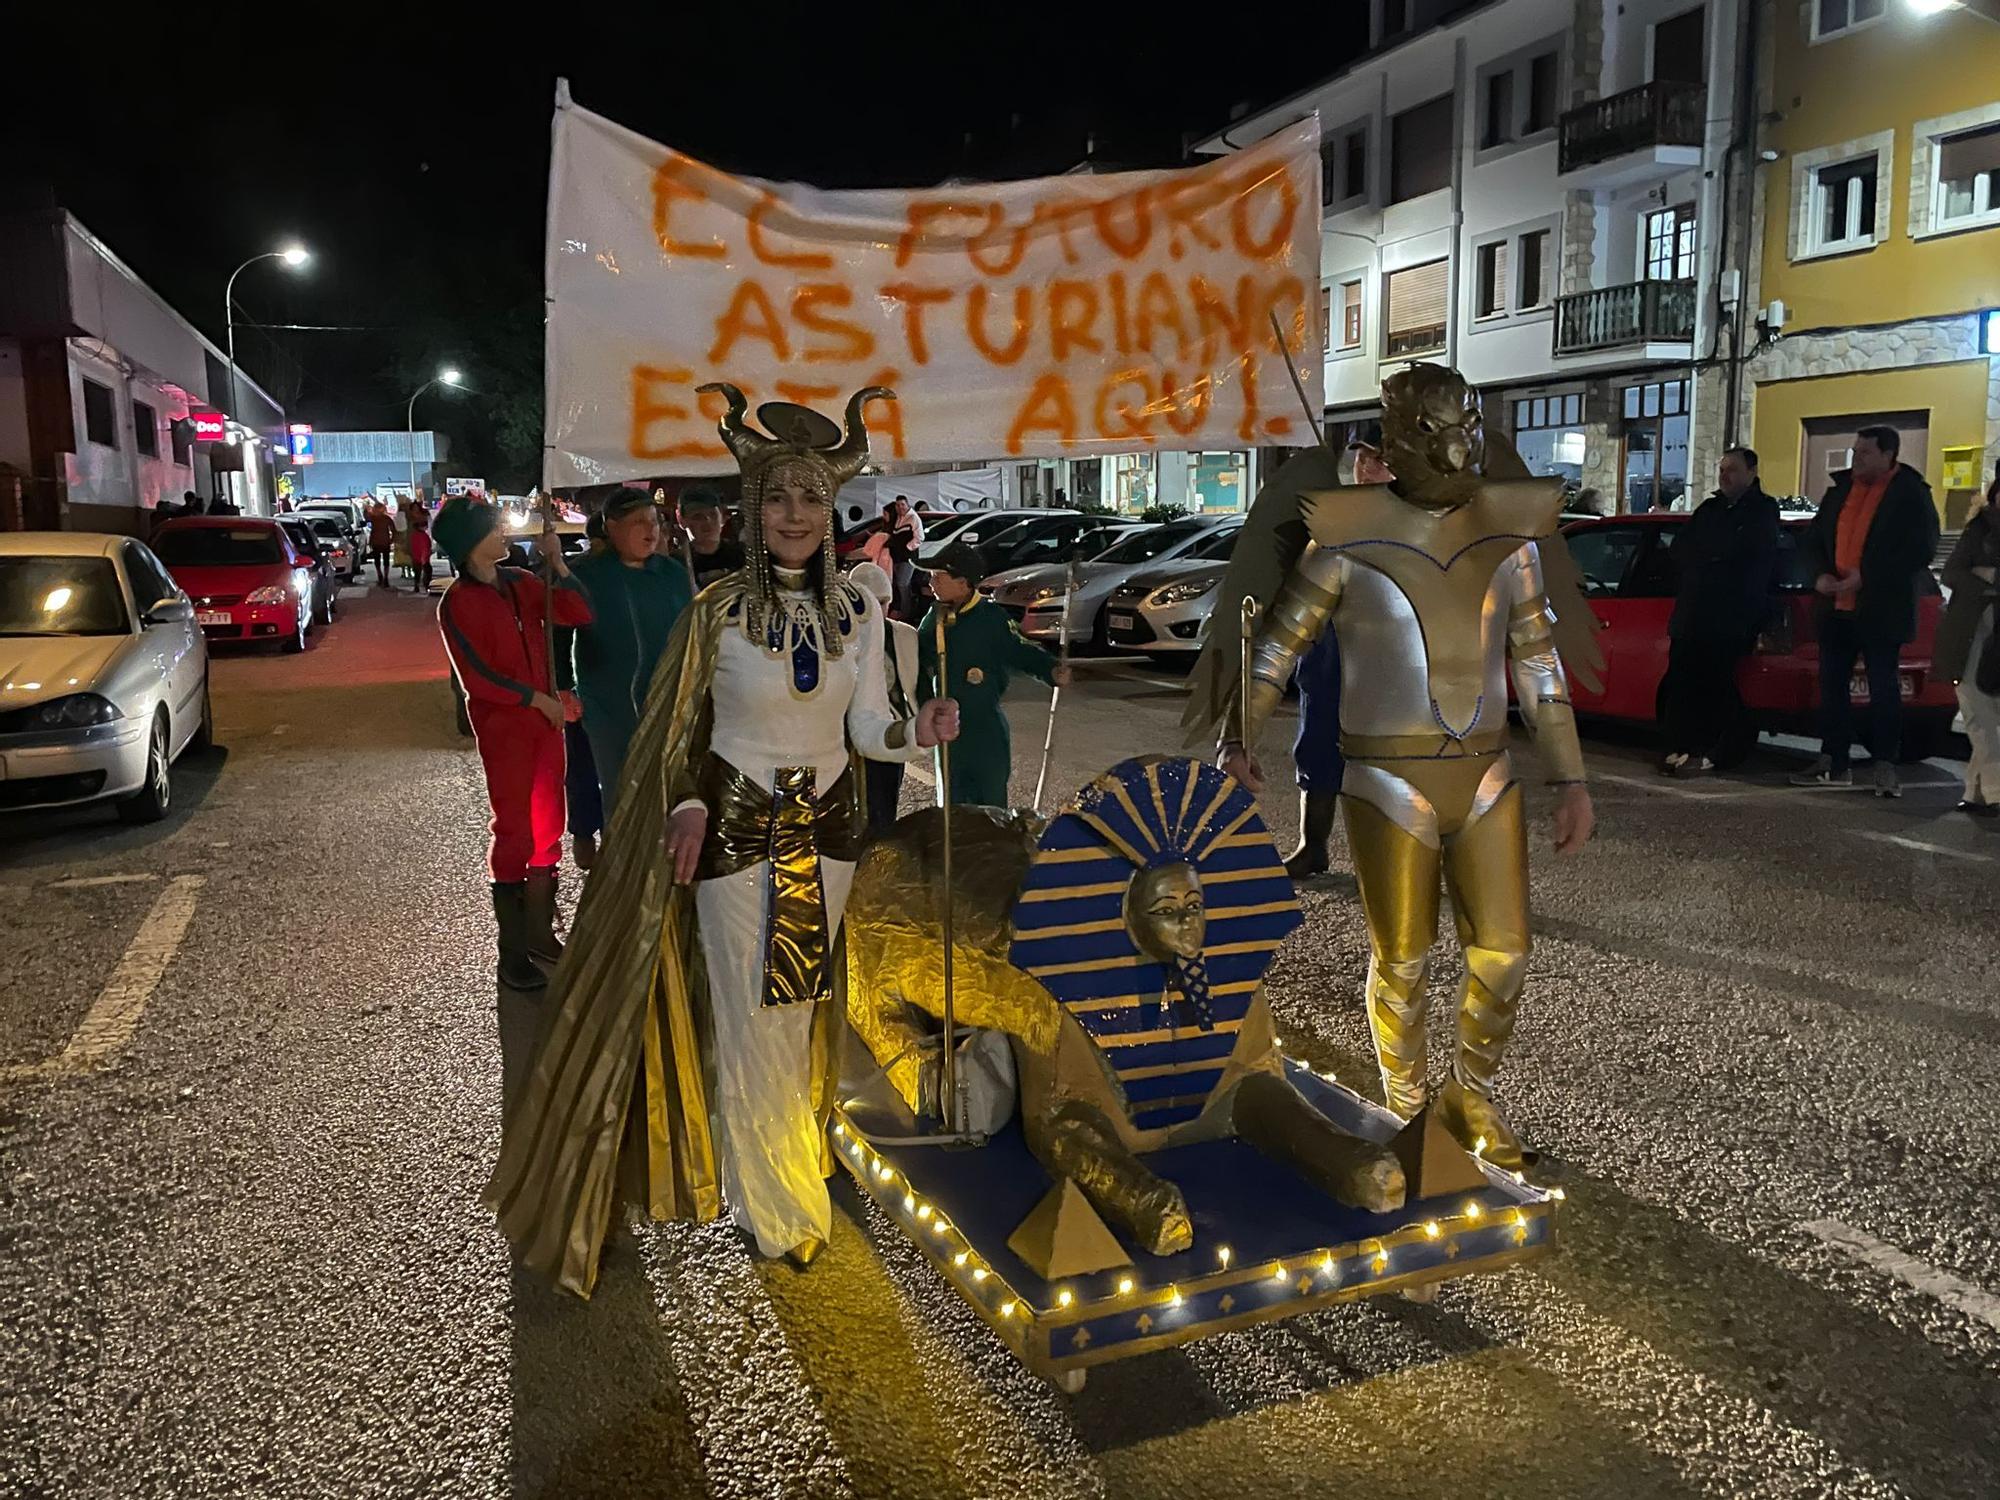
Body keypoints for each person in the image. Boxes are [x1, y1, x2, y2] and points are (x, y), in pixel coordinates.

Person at [486, 385, 957, 1293]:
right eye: (777, 497)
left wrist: (917, 731)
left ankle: (772, 1168)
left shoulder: (859, 613)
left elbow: (867, 732)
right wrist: (687, 800)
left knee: (804, 1008)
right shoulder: (715, 612)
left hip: (830, 838)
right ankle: (783, 1201)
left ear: (832, 512)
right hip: (739, 833)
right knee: (755, 1015)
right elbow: (678, 731)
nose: (793, 514)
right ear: (751, 508)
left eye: (811, 498)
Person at [434, 496, 594, 992]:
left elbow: (577, 612)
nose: (503, 534)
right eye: (492, 529)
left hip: (544, 727)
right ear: (469, 544)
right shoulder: (458, 603)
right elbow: (478, 679)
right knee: (515, 832)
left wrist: (558, 563)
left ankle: (542, 934)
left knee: (550, 826)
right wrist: (534, 700)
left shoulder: (522, 585)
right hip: (506, 731)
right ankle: (513, 954)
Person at [1789, 426, 1940, 796]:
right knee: (1832, 686)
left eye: (1865, 453)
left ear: (1889, 455)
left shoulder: (1910, 495)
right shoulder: (1840, 490)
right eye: (1855, 452)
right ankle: (1833, 760)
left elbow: (1920, 550)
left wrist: (1867, 577)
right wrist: (1820, 575)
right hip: (1836, 607)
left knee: (1884, 689)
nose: (1857, 460)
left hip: (1880, 609)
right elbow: (1813, 541)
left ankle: (1885, 766)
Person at [1286, 428, 1390, 879]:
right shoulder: (1338, 513)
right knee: (1318, 745)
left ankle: (1395, 857)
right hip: (1329, 647)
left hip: (1384, 653)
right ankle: (1313, 845)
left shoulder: (1421, 521)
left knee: (1387, 761)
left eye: (1379, 459)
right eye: (1364, 457)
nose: (1367, 467)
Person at [561, 488, 694, 812]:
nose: (650, 530)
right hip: (609, 707)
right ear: (611, 526)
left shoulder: (672, 574)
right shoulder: (587, 576)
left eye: (654, 521)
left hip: (667, 701)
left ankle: (667, 860)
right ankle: (622, 860)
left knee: (670, 790)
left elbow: (693, 631)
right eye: (638, 522)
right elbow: (557, 630)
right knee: (622, 794)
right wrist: (562, 686)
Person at [916, 540, 1068, 807]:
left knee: (991, 802)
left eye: (938, 577)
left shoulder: (991, 618)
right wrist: (923, 709)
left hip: (986, 728)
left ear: (964, 583)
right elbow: (916, 666)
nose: (931, 584)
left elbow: (1019, 651)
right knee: (951, 805)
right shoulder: (935, 619)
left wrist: (1051, 669)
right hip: (949, 730)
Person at [1659, 446, 1780, 778]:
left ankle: (1709, 751)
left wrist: (1711, 556)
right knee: (1684, 684)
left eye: (1732, 469)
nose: (1724, 475)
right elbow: (1681, 549)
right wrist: (1707, 557)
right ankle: (1680, 747)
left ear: (1751, 473)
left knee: (1717, 686)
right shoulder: (1710, 509)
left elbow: (1744, 555)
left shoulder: (1762, 511)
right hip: (1692, 616)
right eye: (1722, 469)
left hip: (1729, 618)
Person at [1937, 464, 2000, 817]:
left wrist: (1991, 576)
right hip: (1971, 630)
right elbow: (1952, 572)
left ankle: (1976, 790)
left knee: (1990, 711)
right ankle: (1994, 791)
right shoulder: (1979, 530)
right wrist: (1987, 581)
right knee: (1977, 710)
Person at [848, 560, 920, 831]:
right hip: (849, 740)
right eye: (868, 603)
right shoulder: (840, 637)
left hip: (893, 731)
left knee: (884, 810)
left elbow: (920, 681)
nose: (876, 610)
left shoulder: (904, 635)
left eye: (882, 602)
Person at [681, 484, 744, 589]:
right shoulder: (678, 564)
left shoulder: (742, 556)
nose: (707, 521)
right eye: (698, 516)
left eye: (713, 514)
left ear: (722, 517)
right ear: (682, 520)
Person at [885, 494, 925, 618]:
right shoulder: (897, 518)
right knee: (899, 584)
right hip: (896, 557)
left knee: (903, 584)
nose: (900, 507)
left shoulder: (913, 518)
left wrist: (908, 547)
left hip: (908, 558)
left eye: (902, 504)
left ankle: (907, 613)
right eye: (898, 505)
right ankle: (904, 611)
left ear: (907, 504)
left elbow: (919, 537)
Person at [408, 501, 435, 595]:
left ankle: (426, 584)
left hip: (423, 542)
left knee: (426, 565)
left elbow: (430, 527)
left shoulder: (425, 515)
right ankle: (418, 584)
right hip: (415, 542)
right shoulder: (409, 518)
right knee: (417, 566)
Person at [366, 501, 396, 588]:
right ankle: (384, 577)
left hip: (377, 541)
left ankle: (381, 576)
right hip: (384, 541)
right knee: (384, 560)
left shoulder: (374, 518)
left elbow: (366, 516)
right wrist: (392, 539)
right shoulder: (385, 518)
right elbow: (393, 530)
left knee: (378, 560)